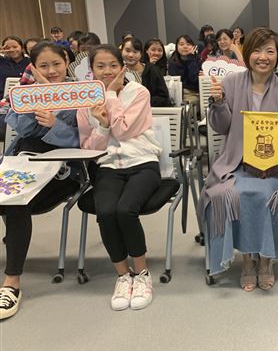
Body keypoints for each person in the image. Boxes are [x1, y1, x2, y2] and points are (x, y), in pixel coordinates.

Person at [197, 27, 278, 291]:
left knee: (264, 194)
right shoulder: (230, 84)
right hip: (235, 165)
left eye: (270, 51)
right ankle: (246, 260)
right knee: (231, 194)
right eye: (257, 50)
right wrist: (218, 103)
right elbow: (221, 127)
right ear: (247, 53)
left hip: (272, 168)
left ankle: (265, 260)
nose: (263, 57)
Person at [77, 44, 162, 311]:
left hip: (143, 163)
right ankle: (123, 276)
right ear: (91, 70)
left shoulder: (138, 92)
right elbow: (88, 148)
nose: (107, 71)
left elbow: (124, 131)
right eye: (100, 66)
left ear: (122, 67)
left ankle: (142, 274)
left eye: (113, 65)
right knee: (106, 211)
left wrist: (111, 95)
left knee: (126, 210)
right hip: (108, 167)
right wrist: (102, 126)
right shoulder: (85, 101)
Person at [0, 42, 80, 320]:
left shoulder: (79, 92)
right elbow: (19, 129)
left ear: (66, 61)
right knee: (13, 198)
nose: (51, 70)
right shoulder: (25, 94)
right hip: (22, 163)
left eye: (56, 64)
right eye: (43, 66)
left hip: (63, 170)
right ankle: (15, 246)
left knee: (16, 202)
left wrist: (55, 123)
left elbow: (85, 140)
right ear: (33, 68)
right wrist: (39, 98)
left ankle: (11, 283)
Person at [122, 37, 171, 107]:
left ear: (141, 54)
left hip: (151, 110)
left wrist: (142, 101)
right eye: (127, 51)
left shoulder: (152, 70)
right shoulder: (118, 72)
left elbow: (164, 98)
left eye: (135, 52)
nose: (131, 55)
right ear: (121, 51)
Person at [168, 35, 201, 105]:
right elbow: (175, 82)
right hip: (178, 93)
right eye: (181, 44)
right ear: (177, 47)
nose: (185, 47)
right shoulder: (172, 62)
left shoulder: (197, 60)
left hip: (194, 93)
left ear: (193, 47)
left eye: (188, 44)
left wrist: (191, 59)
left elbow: (194, 80)